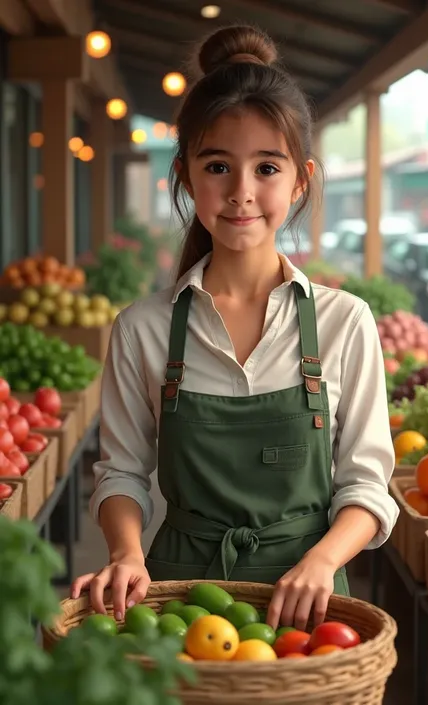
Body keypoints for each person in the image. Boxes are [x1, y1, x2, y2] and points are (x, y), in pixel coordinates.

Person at [71, 25, 399, 633]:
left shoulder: (343, 321)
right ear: (188, 176)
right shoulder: (142, 330)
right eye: (218, 165)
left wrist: (322, 560)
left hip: (312, 607)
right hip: (177, 603)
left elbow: (367, 483)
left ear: (299, 179)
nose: (242, 193)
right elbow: (120, 472)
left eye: (266, 167)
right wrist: (125, 553)